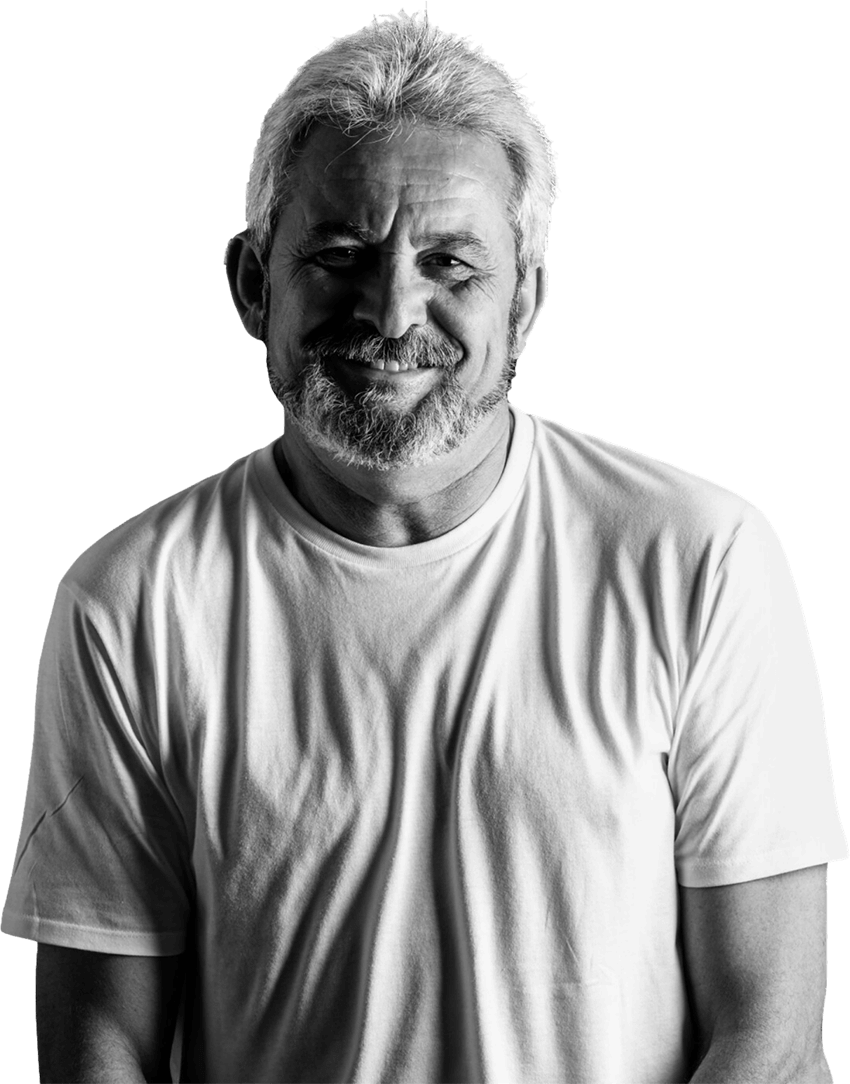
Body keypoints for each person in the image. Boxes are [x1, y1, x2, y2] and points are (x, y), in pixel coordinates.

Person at [3, 10, 846, 1084]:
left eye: (450, 262)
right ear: (253, 285)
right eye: (339, 256)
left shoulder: (699, 558)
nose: (393, 311)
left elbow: (771, 1041)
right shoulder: (130, 600)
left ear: (525, 299)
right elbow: (100, 1050)